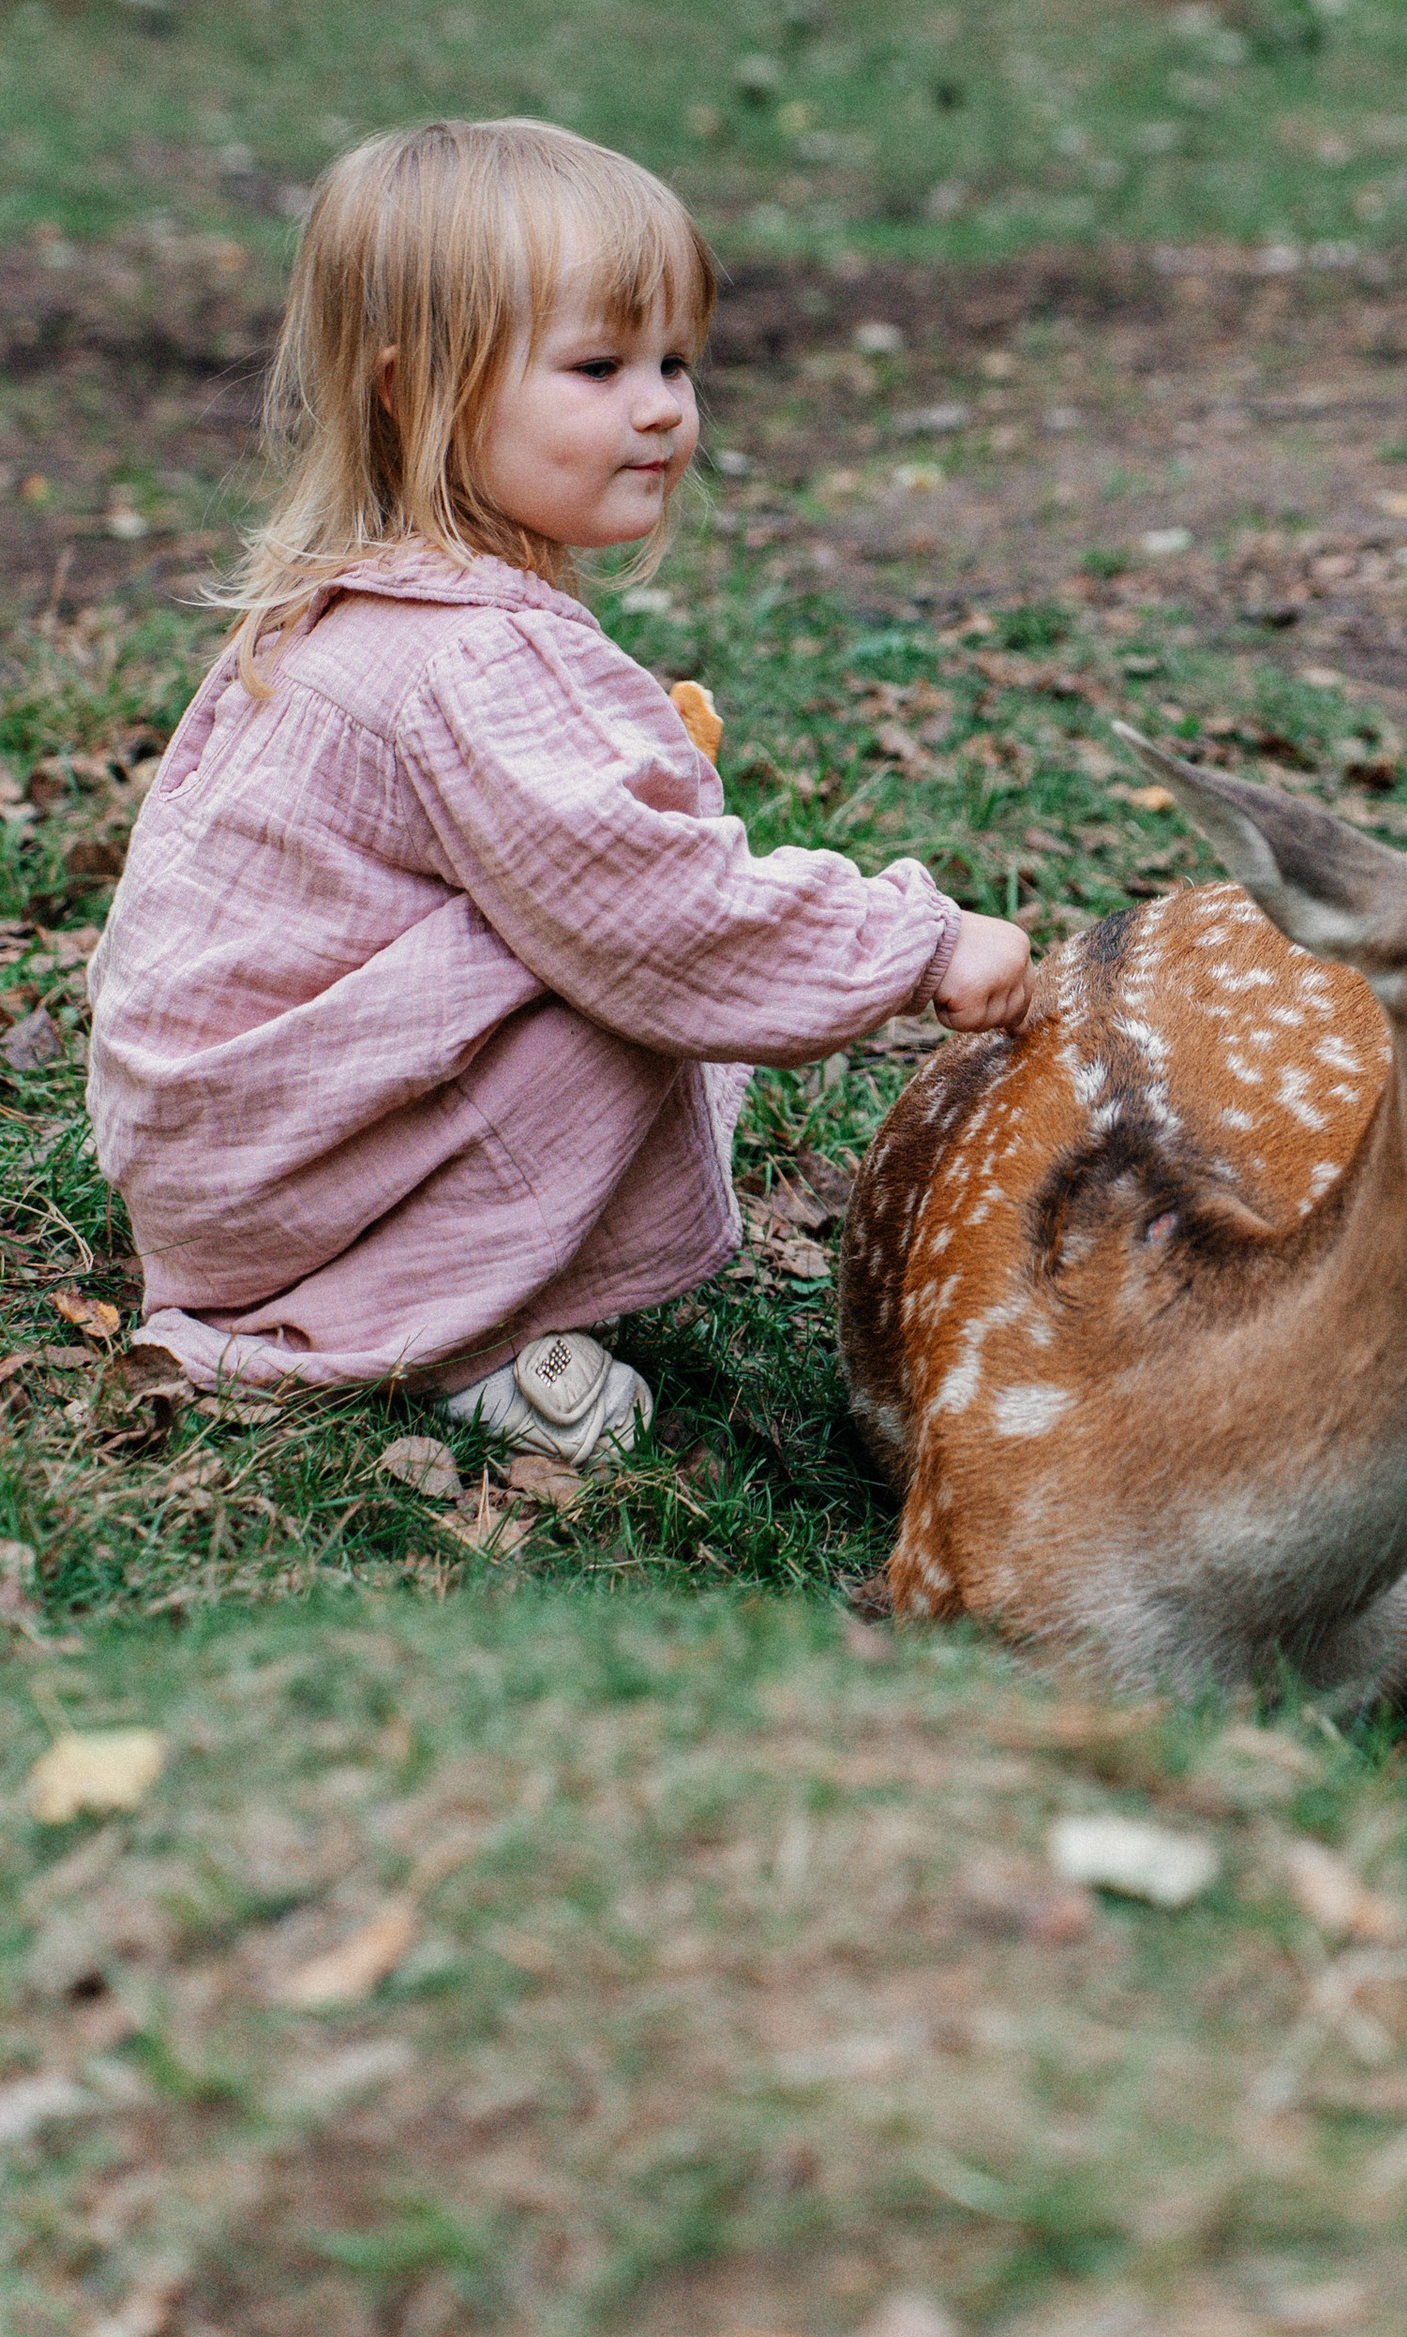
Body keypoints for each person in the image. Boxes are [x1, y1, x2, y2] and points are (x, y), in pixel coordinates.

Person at [87, 117, 1033, 1464]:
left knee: (581, 943)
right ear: (413, 393)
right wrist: (918, 943)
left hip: (229, 1156)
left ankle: (383, 1276)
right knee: (619, 979)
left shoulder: (354, 602)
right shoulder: (480, 656)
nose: (660, 406)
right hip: (296, 1174)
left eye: (673, 362)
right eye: (597, 366)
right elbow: (666, 919)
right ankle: (451, 1340)